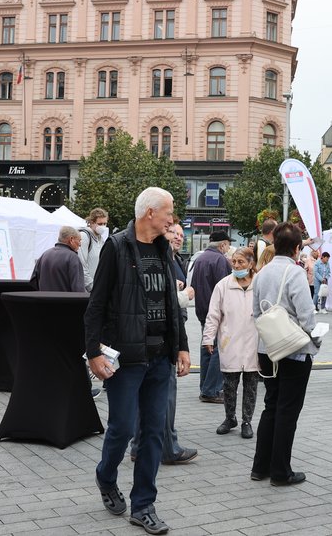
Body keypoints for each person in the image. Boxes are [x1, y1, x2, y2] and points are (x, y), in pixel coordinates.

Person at [84, 187, 190, 535]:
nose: (172, 219)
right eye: (168, 212)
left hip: (160, 358)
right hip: (126, 359)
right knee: (123, 428)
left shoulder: (164, 248)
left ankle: (143, 505)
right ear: (149, 214)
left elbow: (172, 304)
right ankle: (105, 476)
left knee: (153, 434)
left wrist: (182, 346)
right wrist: (93, 353)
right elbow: (96, 305)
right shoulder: (116, 247)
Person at [251, 222, 317, 486]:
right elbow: (307, 317)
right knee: (288, 411)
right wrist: (315, 337)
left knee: (271, 406)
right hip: (294, 351)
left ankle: (260, 466)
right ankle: (281, 471)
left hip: (267, 349)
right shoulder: (296, 273)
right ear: (297, 247)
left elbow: (256, 313)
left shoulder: (262, 272)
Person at [129, 221, 198, 465]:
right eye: (172, 232)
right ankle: (168, 447)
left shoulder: (172, 259)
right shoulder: (157, 256)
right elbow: (158, 300)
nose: (178, 237)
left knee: (149, 399)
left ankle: (139, 445)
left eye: (180, 234)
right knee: (164, 398)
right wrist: (184, 295)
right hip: (159, 340)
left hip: (161, 338)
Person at [203, 247, 259, 439]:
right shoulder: (223, 285)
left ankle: (246, 421)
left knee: (251, 384)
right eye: (234, 262)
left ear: (251, 264)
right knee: (229, 384)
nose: (236, 265)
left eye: (241, 262)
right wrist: (208, 338)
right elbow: (213, 315)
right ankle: (230, 418)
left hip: (253, 341)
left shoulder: (259, 284)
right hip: (230, 341)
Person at [190, 231, 231, 403]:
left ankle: (205, 387)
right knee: (218, 350)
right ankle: (211, 389)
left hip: (202, 310)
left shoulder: (200, 258)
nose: (228, 249)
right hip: (216, 311)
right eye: (228, 245)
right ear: (222, 245)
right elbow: (225, 287)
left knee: (207, 348)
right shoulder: (219, 260)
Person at [31, 226, 85, 292]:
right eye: (79, 240)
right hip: (65, 301)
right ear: (71, 239)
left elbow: (33, 281)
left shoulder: (44, 255)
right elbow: (78, 289)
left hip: (44, 301)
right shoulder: (73, 258)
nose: (80, 244)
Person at [78, 207, 109, 292]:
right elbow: (82, 265)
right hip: (88, 291)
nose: (103, 226)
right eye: (100, 224)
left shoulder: (101, 239)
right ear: (91, 223)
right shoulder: (84, 236)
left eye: (105, 223)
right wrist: (92, 287)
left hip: (97, 288)